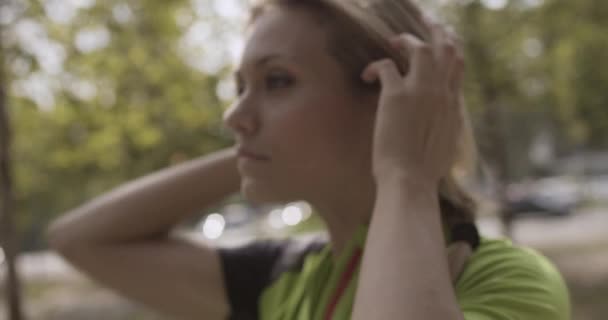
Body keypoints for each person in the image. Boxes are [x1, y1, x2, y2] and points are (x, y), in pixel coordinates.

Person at [47, 0, 571, 319]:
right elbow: (79, 239)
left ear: (387, 102)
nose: (235, 116)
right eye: (239, 87)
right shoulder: (288, 276)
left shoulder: (505, 282)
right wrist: (256, 151)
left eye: (277, 81)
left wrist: (405, 174)